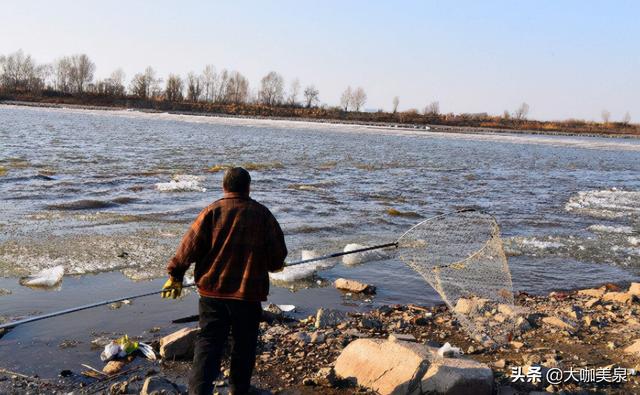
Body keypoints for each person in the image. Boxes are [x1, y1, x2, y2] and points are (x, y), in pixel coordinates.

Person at [161, 167, 287, 395]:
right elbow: (277, 256)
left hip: (212, 293)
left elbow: (187, 248)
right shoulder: (263, 215)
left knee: (208, 343)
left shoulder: (211, 211)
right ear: (248, 188)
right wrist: (274, 264)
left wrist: (175, 275)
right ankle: (238, 389)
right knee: (244, 344)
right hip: (247, 294)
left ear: (224, 187)